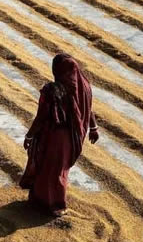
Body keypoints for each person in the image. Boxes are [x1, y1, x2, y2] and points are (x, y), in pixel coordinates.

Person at [20, 53, 99, 213]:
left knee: (49, 168)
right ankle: (43, 201)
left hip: (55, 136)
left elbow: (41, 116)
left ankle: (54, 205)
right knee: (58, 169)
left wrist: (29, 135)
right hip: (72, 137)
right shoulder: (83, 86)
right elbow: (87, 108)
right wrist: (93, 127)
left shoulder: (53, 91)